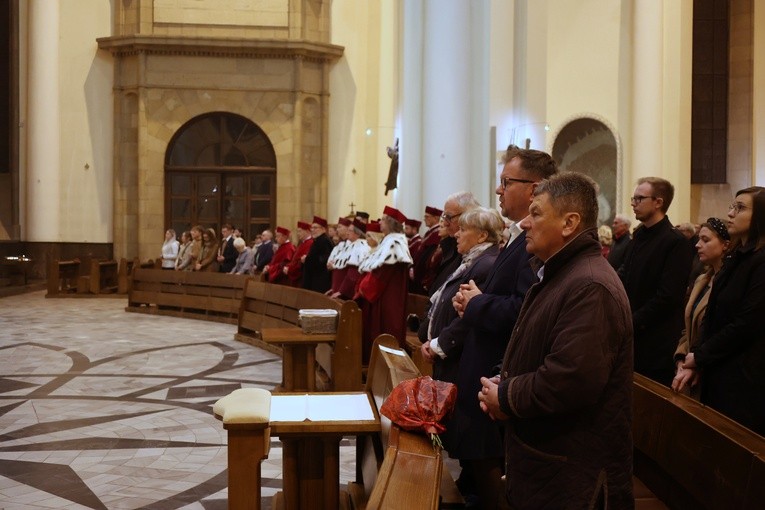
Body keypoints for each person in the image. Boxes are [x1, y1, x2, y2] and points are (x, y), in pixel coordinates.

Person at [478, 172, 634, 509]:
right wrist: (503, 380)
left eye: (536, 214)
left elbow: (570, 379)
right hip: (549, 465)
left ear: (569, 223)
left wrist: (505, 396)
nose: (524, 224)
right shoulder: (561, 273)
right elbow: (536, 349)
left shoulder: (590, 286)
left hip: (572, 475)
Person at [445, 146, 557, 507]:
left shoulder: (535, 242)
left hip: (499, 374)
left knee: (492, 477)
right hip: (485, 372)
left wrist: (477, 304)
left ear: (534, 187)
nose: (498, 190)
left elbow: (525, 308)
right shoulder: (518, 236)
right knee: (480, 470)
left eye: (506, 182)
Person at [682, 187, 765, 435]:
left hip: (743, 381)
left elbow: (747, 324)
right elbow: (714, 314)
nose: (730, 213)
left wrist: (699, 356)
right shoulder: (737, 258)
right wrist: (698, 357)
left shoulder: (760, 261)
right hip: (718, 370)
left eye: (740, 208)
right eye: (732, 206)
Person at [618, 177, 693, 386]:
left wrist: (630, 321)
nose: (633, 204)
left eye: (639, 198)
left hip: (655, 344)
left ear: (658, 202)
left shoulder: (675, 242)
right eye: (633, 199)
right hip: (629, 337)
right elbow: (625, 275)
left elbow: (668, 297)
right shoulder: (639, 236)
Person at [671, 218, 730, 398]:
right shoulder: (701, 280)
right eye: (698, 239)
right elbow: (688, 327)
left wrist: (697, 362)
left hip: (711, 373)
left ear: (725, 245)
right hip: (689, 365)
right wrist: (681, 358)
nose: (697, 245)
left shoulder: (729, 283)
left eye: (705, 240)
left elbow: (720, 331)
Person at [356, 206, 413, 362]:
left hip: (387, 298)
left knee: (385, 331)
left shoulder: (395, 242)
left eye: (383, 220)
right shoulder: (388, 240)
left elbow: (381, 275)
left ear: (391, 223)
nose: (380, 223)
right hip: (382, 295)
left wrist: (363, 289)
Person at [427, 192, 480, 295]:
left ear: (467, 215)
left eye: (449, 217)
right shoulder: (452, 246)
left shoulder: (474, 254)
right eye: (444, 216)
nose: (445, 223)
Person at [333, 219, 370, 300]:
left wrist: (342, 291)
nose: (347, 232)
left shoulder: (361, 247)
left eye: (350, 230)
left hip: (348, 293)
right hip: (340, 289)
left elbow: (353, 274)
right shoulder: (351, 245)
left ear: (357, 233)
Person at [410, 205, 442, 294]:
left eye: (427, 217)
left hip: (423, 278)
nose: (424, 219)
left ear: (436, 218)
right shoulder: (430, 232)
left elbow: (427, 256)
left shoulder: (437, 234)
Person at [302, 216, 334, 293]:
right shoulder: (317, 240)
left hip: (320, 280)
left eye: (315, 228)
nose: (312, 230)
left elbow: (324, 259)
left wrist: (307, 259)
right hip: (313, 278)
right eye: (312, 228)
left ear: (323, 229)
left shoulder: (324, 241)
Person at [284, 221, 314, 287]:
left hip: (301, 278)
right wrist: (288, 266)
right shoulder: (302, 243)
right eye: (297, 231)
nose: (298, 234)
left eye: (300, 231)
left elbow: (301, 262)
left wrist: (290, 269)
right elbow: (294, 259)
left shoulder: (310, 243)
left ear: (307, 231)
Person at [327, 218, 352, 293]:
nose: (337, 230)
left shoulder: (352, 245)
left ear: (348, 228)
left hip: (345, 285)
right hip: (336, 282)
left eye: (340, 227)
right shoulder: (340, 245)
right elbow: (329, 263)